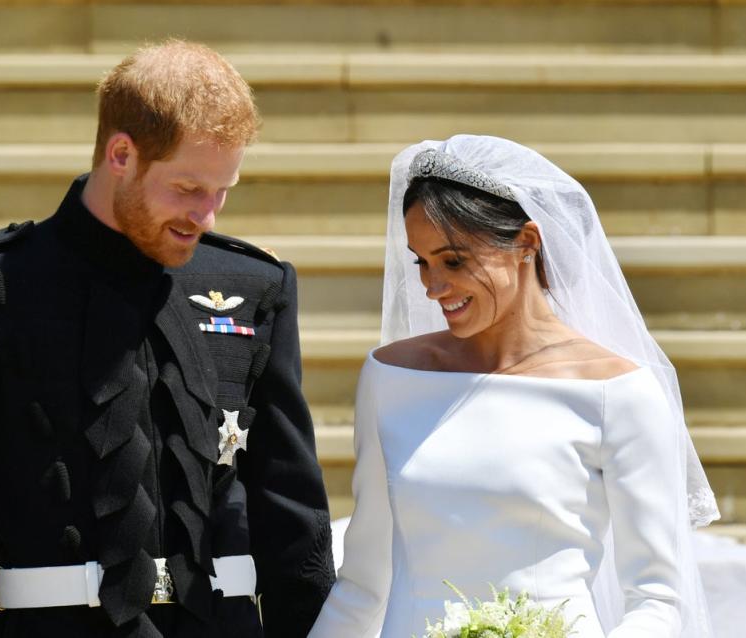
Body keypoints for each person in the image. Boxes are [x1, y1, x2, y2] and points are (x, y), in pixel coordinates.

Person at [0, 40, 335, 638]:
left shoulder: (252, 286)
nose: (208, 216)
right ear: (122, 153)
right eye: (189, 189)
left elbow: (294, 522)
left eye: (223, 191)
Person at [308, 135, 719, 638]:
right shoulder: (390, 377)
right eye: (421, 261)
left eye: (453, 261)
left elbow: (657, 598)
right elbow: (363, 585)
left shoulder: (620, 392)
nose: (432, 286)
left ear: (527, 242)